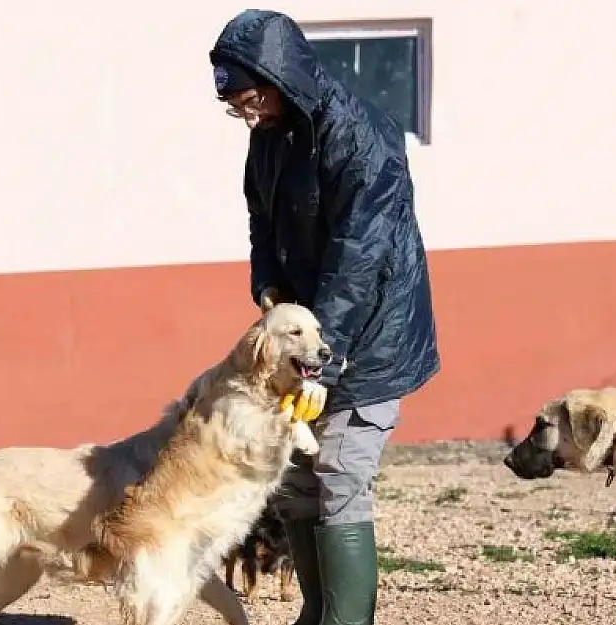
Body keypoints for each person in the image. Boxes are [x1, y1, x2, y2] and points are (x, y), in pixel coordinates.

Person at [209, 9, 441, 625]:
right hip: (310, 335)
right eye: (235, 105)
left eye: (249, 98)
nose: (246, 114)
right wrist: (269, 287)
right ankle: (318, 614)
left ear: (279, 76)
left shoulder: (360, 138)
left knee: (339, 472)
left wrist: (320, 352)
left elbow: (359, 257)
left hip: (368, 335)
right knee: (298, 481)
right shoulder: (270, 137)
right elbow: (261, 218)